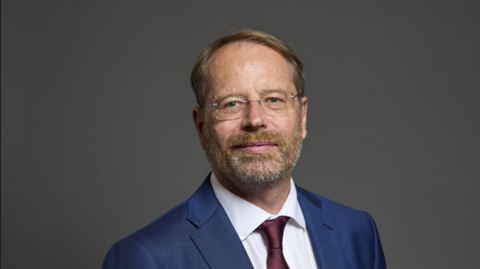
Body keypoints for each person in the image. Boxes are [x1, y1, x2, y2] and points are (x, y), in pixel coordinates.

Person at [102, 29, 386, 269]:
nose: (255, 120)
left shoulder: (356, 232)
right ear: (201, 126)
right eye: (232, 103)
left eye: (273, 99)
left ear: (301, 116)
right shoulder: (148, 257)